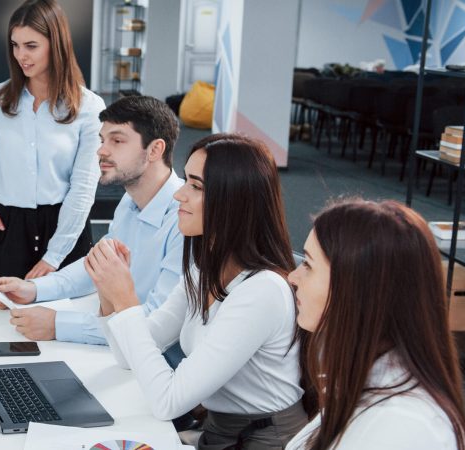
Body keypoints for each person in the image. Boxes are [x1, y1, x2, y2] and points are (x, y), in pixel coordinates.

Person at [91, 134, 307, 449]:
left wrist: (127, 301)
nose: (179, 195)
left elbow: (168, 401)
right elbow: (127, 356)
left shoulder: (262, 291)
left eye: (196, 186)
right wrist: (108, 295)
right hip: (221, 430)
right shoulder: (204, 267)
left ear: (233, 201)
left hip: (263, 438)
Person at [0, 95, 184, 346]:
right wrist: (34, 289)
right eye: (103, 140)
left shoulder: (186, 219)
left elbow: (157, 324)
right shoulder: (129, 203)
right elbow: (96, 266)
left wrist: (57, 325)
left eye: (117, 140)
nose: (101, 150)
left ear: (155, 149)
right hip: (122, 344)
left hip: (161, 360)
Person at [285, 199, 465, 450]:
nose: (293, 277)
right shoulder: (361, 370)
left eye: (308, 265)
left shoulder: (399, 427)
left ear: (356, 289)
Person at [0, 0, 105, 280]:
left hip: (65, 224)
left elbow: (83, 188)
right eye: (15, 45)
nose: (21, 55)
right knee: (4, 313)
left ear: (55, 45)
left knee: (62, 317)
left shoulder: (89, 107)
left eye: (31, 46)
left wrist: (54, 256)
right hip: (8, 225)